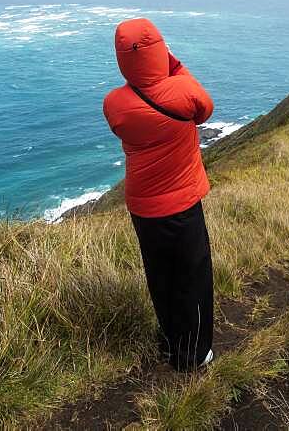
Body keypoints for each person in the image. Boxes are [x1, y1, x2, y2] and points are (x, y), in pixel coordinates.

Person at [103, 18, 216, 371]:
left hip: (142, 206)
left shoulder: (114, 103)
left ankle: (171, 340)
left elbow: (128, 114)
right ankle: (194, 355)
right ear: (159, 52)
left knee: (161, 276)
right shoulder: (181, 93)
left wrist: (141, 73)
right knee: (193, 278)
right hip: (181, 203)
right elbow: (205, 108)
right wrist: (173, 63)